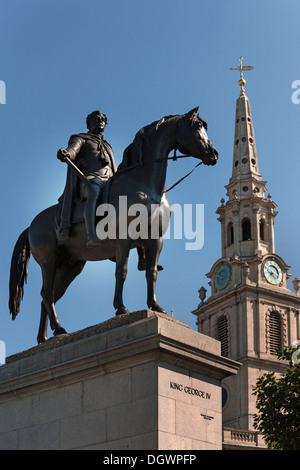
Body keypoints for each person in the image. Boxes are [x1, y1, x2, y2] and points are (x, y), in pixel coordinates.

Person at [57, 110, 117, 248]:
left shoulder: (108, 146)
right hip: (90, 179)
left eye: (102, 119)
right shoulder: (80, 138)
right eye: (95, 119)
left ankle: (140, 251)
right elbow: (73, 150)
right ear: (88, 124)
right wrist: (67, 153)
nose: (100, 120)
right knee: (94, 191)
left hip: (110, 181)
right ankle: (92, 234)